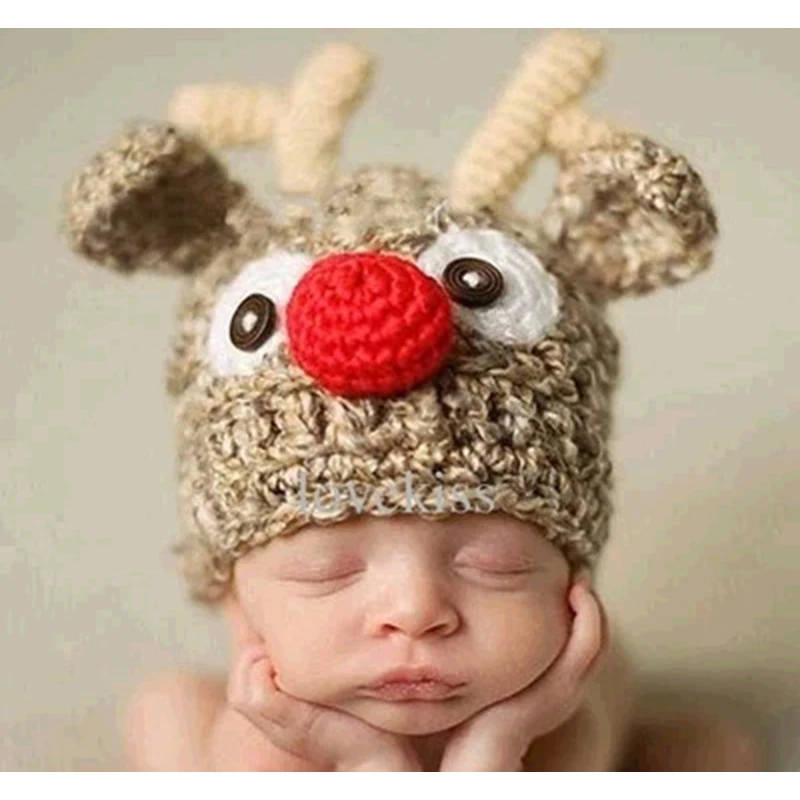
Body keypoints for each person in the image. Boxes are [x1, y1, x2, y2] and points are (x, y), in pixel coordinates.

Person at [63, 32, 764, 771]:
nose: (414, 613)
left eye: (497, 565)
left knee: (715, 752)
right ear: (233, 602)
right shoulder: (265, 740)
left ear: (573, 582)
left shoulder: (564, 728)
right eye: (326, 571)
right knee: (167, 706)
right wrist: (364, 764)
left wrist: (501, 743)